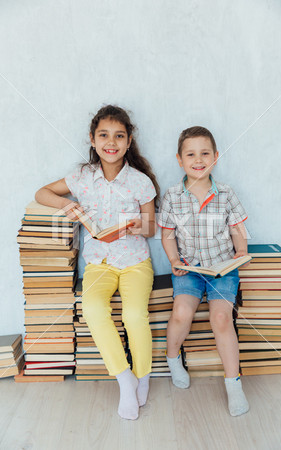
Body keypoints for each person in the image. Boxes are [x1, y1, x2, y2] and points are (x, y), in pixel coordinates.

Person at [35, 105, 160, 421]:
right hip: (98, 264)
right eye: (104, 135)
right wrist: (68, 205)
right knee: (91, 309)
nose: (111, 142)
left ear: (129, 141)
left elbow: (151, 226)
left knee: (134, 315)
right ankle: (124, 379)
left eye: (119, 136)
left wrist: (134, 226)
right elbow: (42, 193)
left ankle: (143, 375)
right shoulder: (82, 177)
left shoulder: (140, 181)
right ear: (92, 139)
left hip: (135, 262)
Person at [158, 126, 249, 417]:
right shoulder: (173, 196)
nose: (198, 159)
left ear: (215, 157)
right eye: (191, 154)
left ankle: (233, 383)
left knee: (221, 317)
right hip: (189, 269)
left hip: (222, 269)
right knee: (182, 313)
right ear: (180, 160)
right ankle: (173, 359)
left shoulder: (226, 193)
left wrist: (241, 252)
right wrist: (173, 259)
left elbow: (237, 228)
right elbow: (167, 234)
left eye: (205, 153)